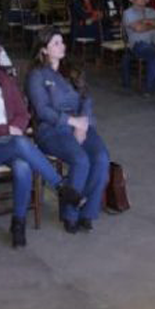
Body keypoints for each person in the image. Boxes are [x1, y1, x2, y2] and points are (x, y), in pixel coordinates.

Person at [0, 34, 70, 248]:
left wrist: (14, 128)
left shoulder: (4, 80)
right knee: (20, 143)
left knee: (23, 166)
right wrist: (7, 129)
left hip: (9, 141)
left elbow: (22, 112)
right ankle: (60, 186)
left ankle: (18, 223)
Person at [27, 28, 110, 233]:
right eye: (55, 43)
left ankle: (87, 212)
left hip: (80, 123)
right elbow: (42, 110)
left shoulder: (72, 68)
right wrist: (73, 122)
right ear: (44, 49)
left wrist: (84, 122)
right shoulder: (36, 75)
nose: (62, 46)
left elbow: (86, 98)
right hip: (52, 129)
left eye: (62, 42)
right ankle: (70, 214)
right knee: (80, 159)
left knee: (101, 158)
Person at [121, 0, 155, 96]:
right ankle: (149, 88)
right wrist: (153, 26)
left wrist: (146, 21)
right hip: (140, 44)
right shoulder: (128, 13)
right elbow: (138, 28)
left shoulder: (152, 11)